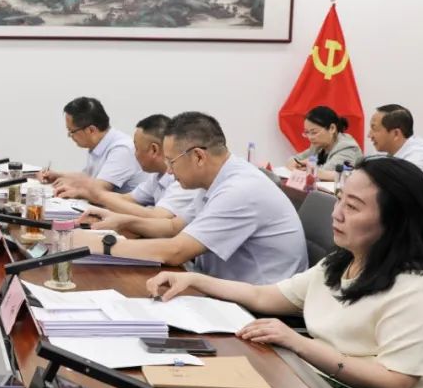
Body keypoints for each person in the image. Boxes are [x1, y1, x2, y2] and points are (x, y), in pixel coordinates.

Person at [147, 157, 423, 388]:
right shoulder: (341, 262)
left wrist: (297, 342)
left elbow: (394, 383)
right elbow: (263, 296)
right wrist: (194, 279)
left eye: (352, 207)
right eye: (339, 199)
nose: (336, 213)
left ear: (396, 221)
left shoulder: (419, 291)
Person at [77, 112, 307, 284]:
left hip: (257, 311)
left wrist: (96, 244)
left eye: (172, 162)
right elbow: (174, 227)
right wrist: (123, 221)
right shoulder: (213, 179)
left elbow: (176, 251)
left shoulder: (240, 190)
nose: (169, 171)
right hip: (216, 285)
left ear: (198, 156)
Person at [76, 114, 200, 238]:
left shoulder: (183, 180)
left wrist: (100, 196)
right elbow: (128, 199)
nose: (134, 154)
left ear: (154, 150)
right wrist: (91, 195)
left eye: (136, 148)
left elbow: (158, 218)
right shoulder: (157, 175)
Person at [39, 96, 146, 197]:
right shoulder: (98, 144)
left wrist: (73, 185)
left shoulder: (122, 149)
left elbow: (99, 189)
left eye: (71, 131)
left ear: (91, 130)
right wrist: (58, 175)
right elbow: (88, 176)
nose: (69, 136)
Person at [286, 105, 363, 181]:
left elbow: (325, 173)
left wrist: (306, 168)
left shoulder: (347, 147)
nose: (310, 137)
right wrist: (296, 164)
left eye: (314, 132)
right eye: (307, 132)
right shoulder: (318, 145)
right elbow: (294, 159)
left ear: (332, 128)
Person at [367, 104, 423, 179]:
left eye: (374, 129)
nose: (369, 135)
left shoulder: (419, 160)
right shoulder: (385, 149)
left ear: (396, 134)